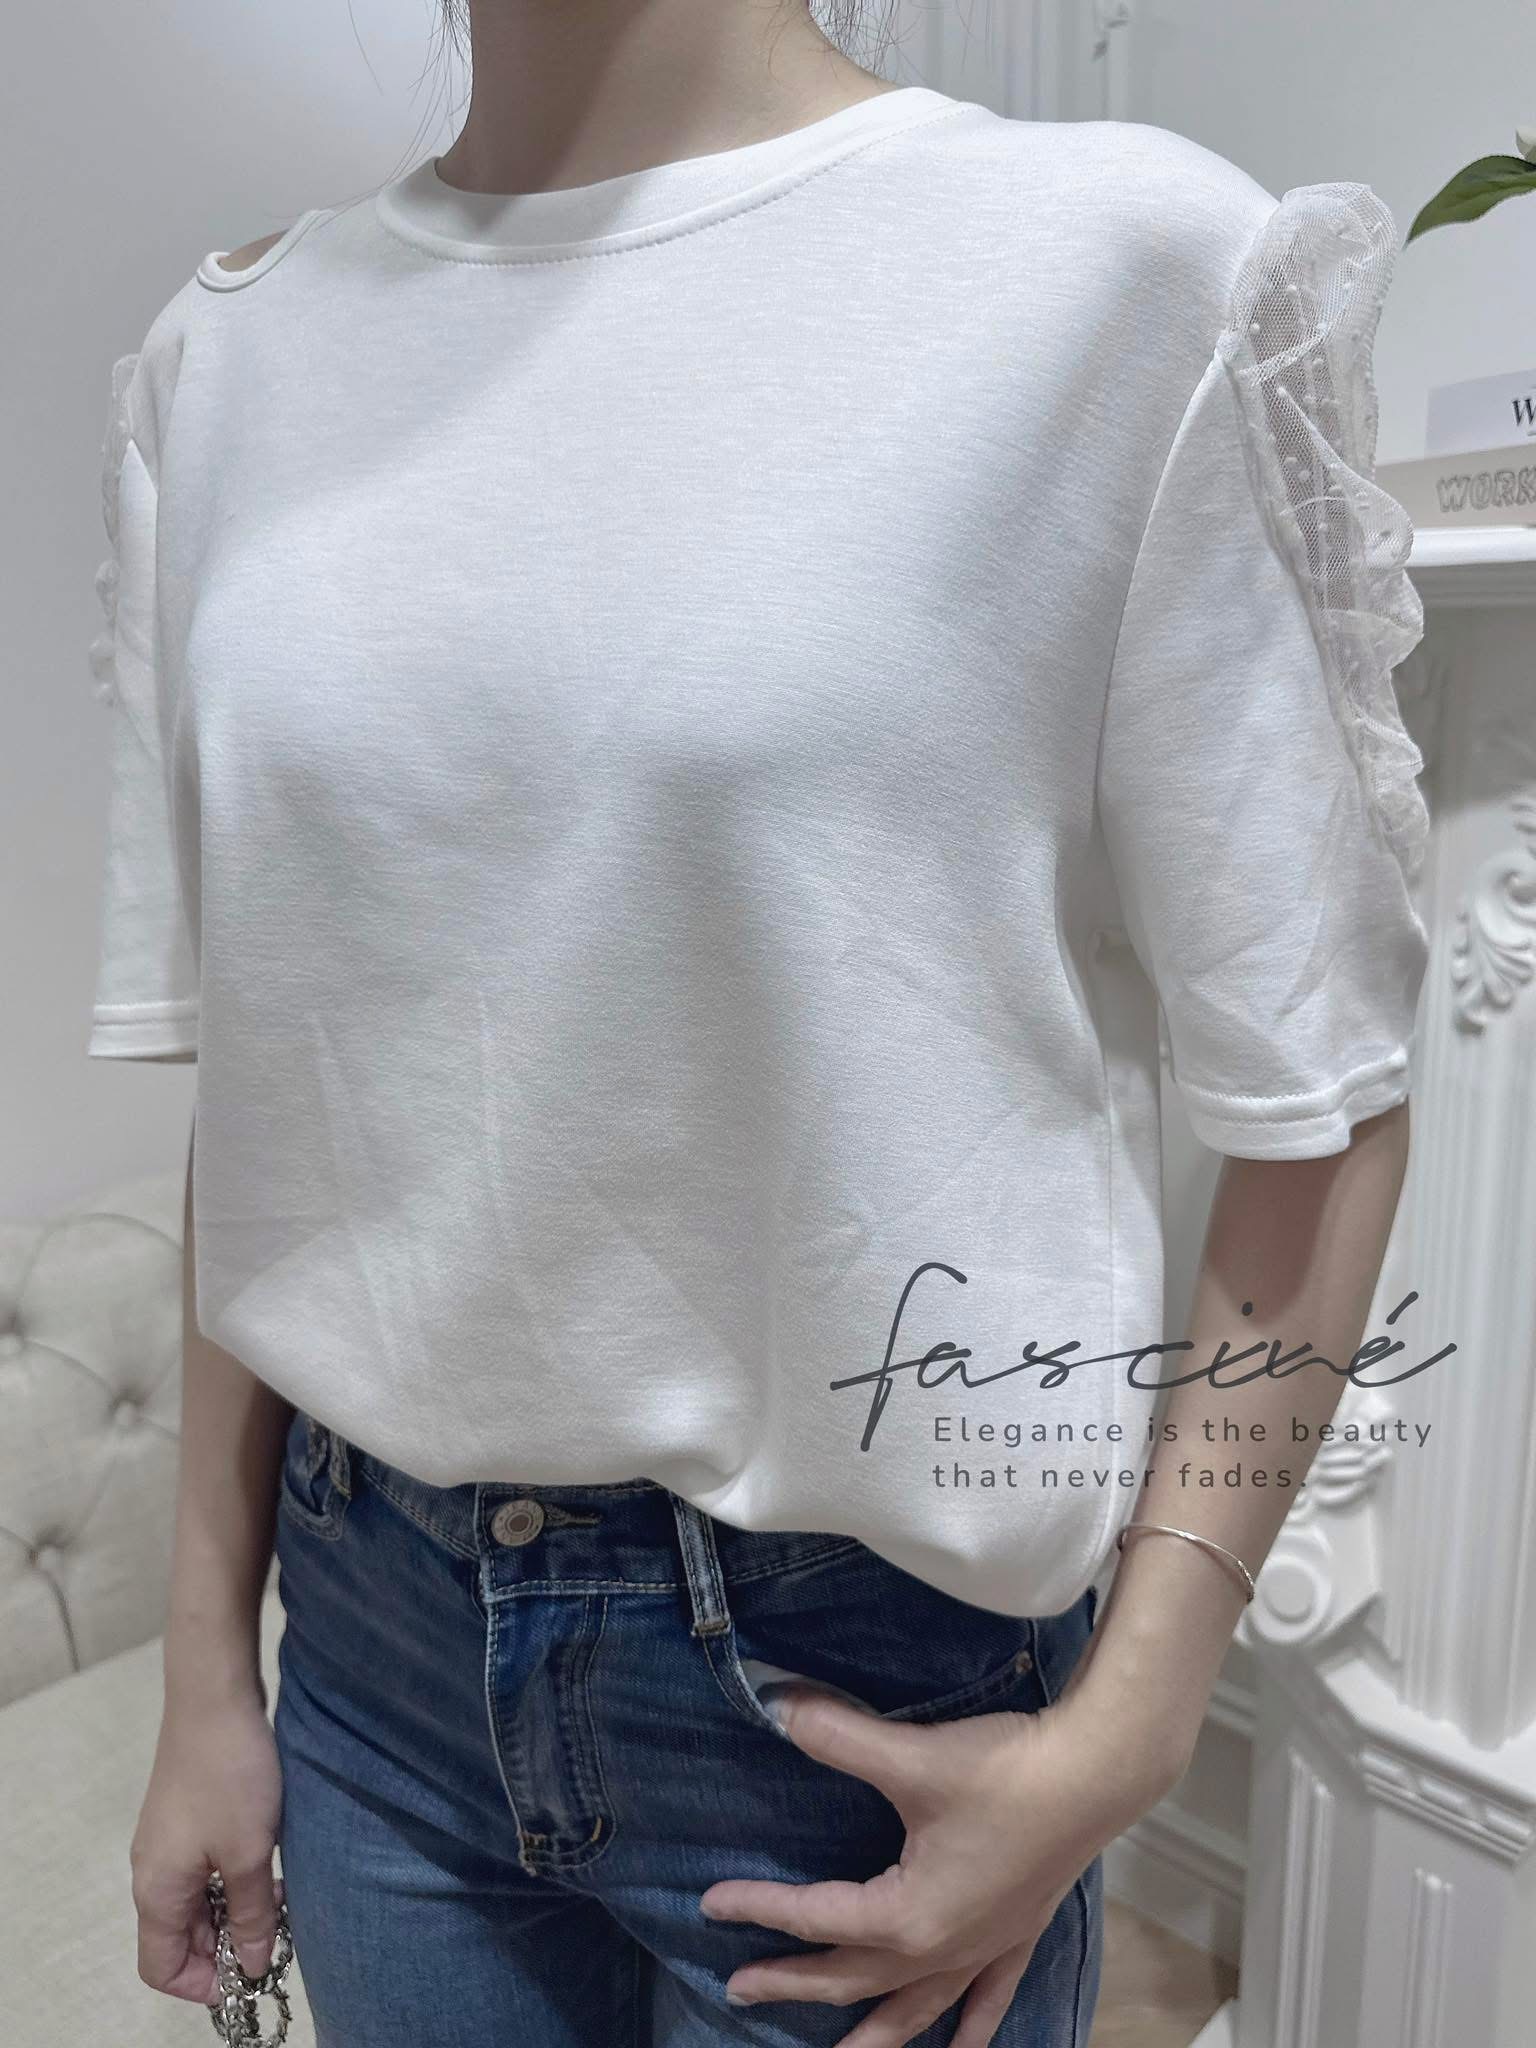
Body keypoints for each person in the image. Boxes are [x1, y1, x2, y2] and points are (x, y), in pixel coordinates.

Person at [89, 2, 1430, 2043]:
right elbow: (281, 1102)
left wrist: (1140, 1712)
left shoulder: (1123, 271)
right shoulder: (229, 360)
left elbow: (1320, 1090)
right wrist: (208, 1671)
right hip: (369, 1664)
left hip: (859, 1696)